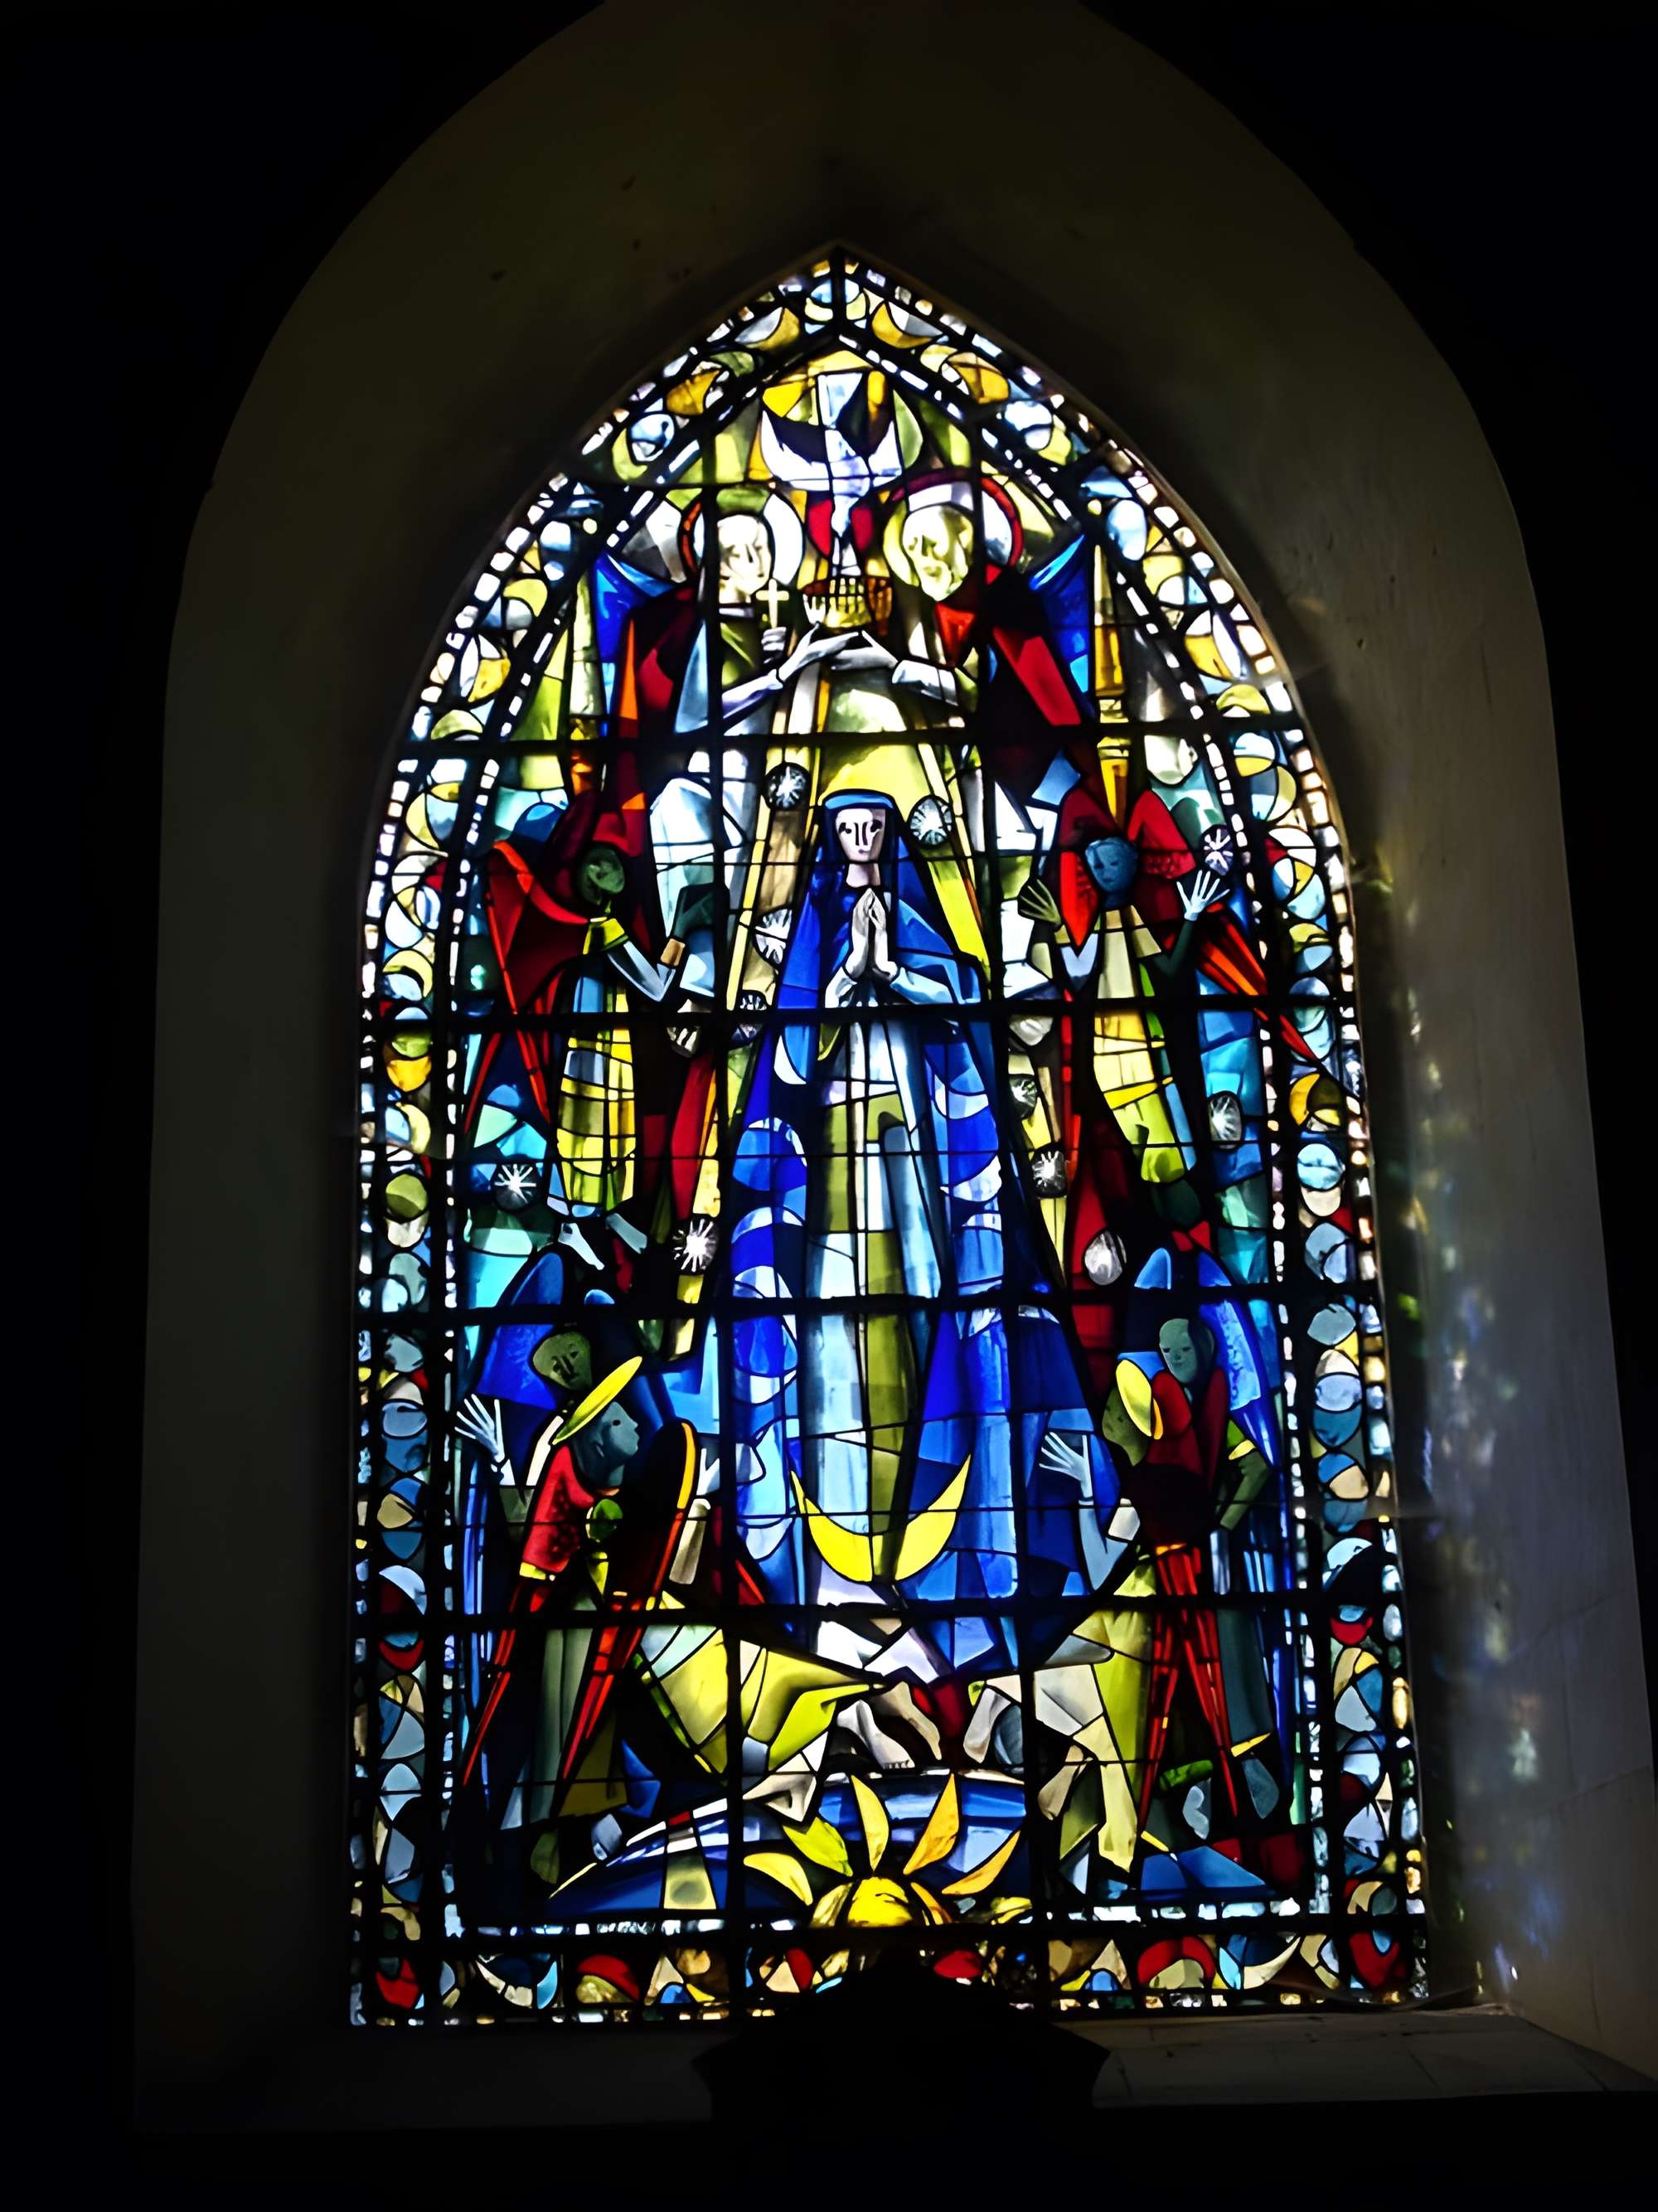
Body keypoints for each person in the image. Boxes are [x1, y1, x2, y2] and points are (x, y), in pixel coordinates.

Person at [724, 789, 1129, 1679]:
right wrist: (841, 981)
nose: (863, 841)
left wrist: (890, 973)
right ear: (830, 841)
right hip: (830, 1185)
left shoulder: (914, 922)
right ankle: (840, 1578)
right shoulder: (807, 946)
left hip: (917, 1181)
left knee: (924, 1334)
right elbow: (787, 1066)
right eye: (848, 832)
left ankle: (932, 1573)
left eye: (874, 830)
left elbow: (961, 1018)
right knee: (830, 1367)